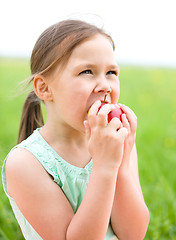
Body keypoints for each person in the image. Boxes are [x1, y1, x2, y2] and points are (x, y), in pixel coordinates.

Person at [2, 19, 149, 240]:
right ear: (44, 88)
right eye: (87, 71)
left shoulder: (116, 140)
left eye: (111, 72)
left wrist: (122, 161)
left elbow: (133, 234)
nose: (105, 85)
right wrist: (105, 166)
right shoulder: (24, 163)